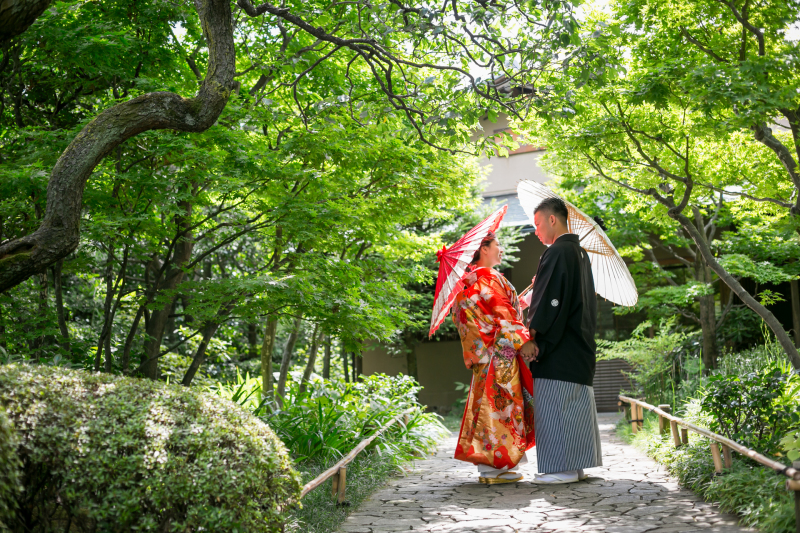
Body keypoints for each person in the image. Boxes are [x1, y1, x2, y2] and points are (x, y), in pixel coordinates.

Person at [520, 197, 602, 484]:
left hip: (560, 350)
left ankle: (561, 469)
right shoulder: (579, 253)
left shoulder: (557, 253)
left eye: (538, 224)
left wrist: (534, 335)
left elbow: (550, 304)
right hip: (579, 345)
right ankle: (576, 465)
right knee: (574, 406)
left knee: (557, 407)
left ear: (552, 219)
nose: (536, 231)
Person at [452, 231, 535, 484]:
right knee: (502, 410)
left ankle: (492, 467)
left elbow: (495, 312)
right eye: (497, 245)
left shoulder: (469, 284)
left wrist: (531, 292)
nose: (501, 249)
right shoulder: (489, 279)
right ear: (484, 249)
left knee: (485, 408)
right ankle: (494, 466)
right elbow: (506, 316)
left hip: (484, 358)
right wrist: (526, 340)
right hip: (501, 357)